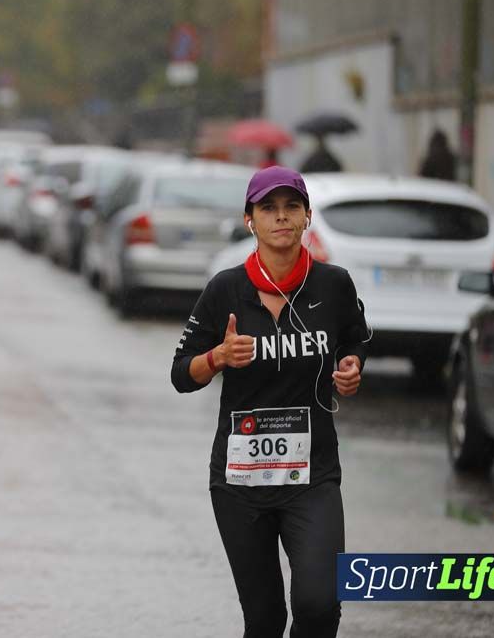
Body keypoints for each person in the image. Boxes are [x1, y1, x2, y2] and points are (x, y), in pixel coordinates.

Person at [171, 166, 370, 637]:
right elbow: (181, 375)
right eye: (268, 209)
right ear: (250, 221)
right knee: (264, 619)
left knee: (320, 606)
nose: (281, 218)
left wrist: (351, 367)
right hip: (240, 482)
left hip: (313, 477)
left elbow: (356, 341)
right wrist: (218, 356)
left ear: (306, 218)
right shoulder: (225, 290)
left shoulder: (333, 285)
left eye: (291, 208)